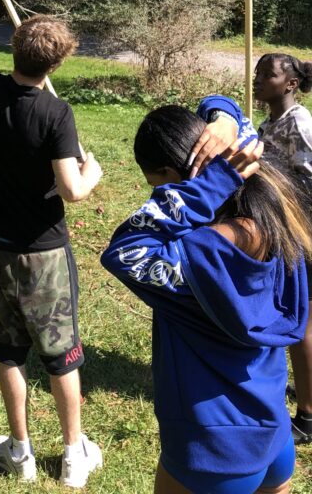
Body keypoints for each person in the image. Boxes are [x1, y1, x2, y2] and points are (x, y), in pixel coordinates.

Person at [101, 102, 311, 494]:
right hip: (274, 434)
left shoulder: (201, 254)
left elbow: (123, 250)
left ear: (175, 180)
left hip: (213, 451)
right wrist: (226, 121)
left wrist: (209, 185)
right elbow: (236, 120)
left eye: (158, 185)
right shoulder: (278, 220)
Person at [0, 0, 103, 487]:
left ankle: (20, 453)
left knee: (9, 351)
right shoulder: (57, 113)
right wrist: (92, 171)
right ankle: (73, 454)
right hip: (45, 254)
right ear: (56, 63)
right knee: (61, 356)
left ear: (14, 51)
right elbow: (72, 190)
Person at [253, 53, 312, 444]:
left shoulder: (300, 123)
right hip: (282, 231)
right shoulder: (267, 124)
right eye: (257, 73)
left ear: (290, 83)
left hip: (303, 234)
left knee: (303, 322)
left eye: (267, 74)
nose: (257, 79)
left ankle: (308, 415)